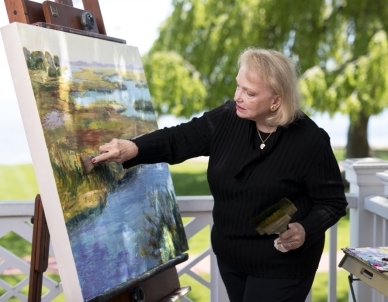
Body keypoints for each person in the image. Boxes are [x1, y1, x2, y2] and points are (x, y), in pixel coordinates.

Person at [92, 47, 348, 302]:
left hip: (282, 265)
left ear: (276, 101)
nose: (237, 96)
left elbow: (333, 202)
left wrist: (305, 229)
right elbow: (180, 138)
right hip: (231, 259)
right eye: (238, 86)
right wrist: (134, 148)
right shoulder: (227, 118)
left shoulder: (310, 141)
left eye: (249, 92)